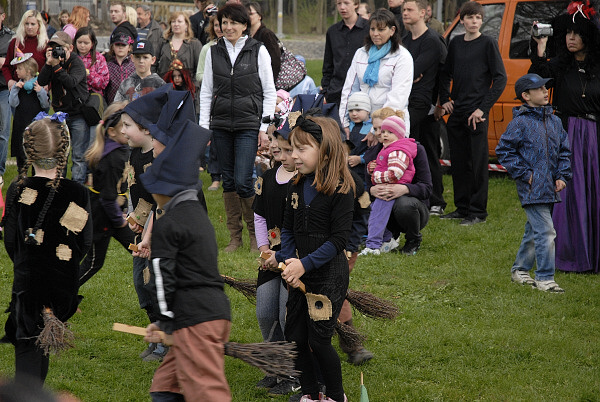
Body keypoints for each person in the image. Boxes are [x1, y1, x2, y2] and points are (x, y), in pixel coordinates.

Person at [141, 93, 231, 401]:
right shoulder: (196, 214)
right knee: (165, 387)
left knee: (208, 392)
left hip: (196, 320)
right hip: (210, 314)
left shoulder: (169, 222)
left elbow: (161, 275)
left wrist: (165, 321)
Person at [264, 115, 355, 402]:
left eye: (301, 149)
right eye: (291, 149)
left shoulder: (341, 189)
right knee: (296, 338)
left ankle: (336, 396)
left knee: (319, 339)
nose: (293, 156)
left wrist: (305, 264)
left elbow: (338, 240)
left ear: (324, 150)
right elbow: (288, 229)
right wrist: (289, 260)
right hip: (299, 272)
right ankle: (309, 394)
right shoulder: (294, 186)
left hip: (328, 274)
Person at [1, 113, 92, 384]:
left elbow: (10, 241)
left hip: (28, 284)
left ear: (28, 150)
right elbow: (83, 241)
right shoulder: (77, 192)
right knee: (43, 344)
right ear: (65, 149)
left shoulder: (18, 190)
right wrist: (62, 262)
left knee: (28, 350)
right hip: (62, 286)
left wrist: (26, 259)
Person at [529, 1, 600, 273]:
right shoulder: (561, 65)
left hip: (594, 137)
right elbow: (538, 76)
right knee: (569, 195)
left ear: (588, 36)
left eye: (577, 33)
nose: (571, 39)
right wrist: (540, 47)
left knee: (592, 193)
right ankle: (569, 253)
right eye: (568, 33)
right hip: (568, 133)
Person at [199, 3, 276, 252]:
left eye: (234, 22)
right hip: (220, 124)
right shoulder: (213, 51)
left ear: (245, 25)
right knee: (229, 181)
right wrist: (204, 127)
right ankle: (235, 238)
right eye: (224, 22)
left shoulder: (258, 50)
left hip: (248, 124)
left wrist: (264, 126)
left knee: (244, 181)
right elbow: (207, 91)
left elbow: (269, 91)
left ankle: (257, 236)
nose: (228, 27)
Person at [496, 73, 571, 292]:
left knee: (535, 230)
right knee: (547, 232)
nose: (545, 91)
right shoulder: (520, 123)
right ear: (526, 95)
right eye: (539, 89)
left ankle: (519, 270)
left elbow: (564, 151)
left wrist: (561, 176)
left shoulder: (555, 121)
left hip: (550, 188)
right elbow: (504, 150)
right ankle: (545, 278)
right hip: (531, 188)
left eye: (545, 88)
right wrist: (525, 174)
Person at [438, 1, 506, 225]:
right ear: (462, 19)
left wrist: (482, 109)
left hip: (476, 114)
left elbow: (500, 79)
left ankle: (478, 212)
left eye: (478, 18)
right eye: (469, 17)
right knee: (458, 161)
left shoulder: (488, 43)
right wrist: (446, 99)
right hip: (457, 112)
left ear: (482, 20)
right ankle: (462, 207)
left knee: (477, 163)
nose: (474, 22)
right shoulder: (456, 43)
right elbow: (445, 73)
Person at [253, 128, 300, 396]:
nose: (279, 154)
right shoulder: (268, 177)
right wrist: (263, 250)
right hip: (268, 258)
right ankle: (275, 367)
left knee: (286, 316)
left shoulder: (304, 181)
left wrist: (280, 256)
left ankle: (294, 372)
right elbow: (259, 216)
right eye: (276, 148)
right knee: (266, 313)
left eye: (286, 150)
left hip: (293, 260)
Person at [78, 102, 133, 287]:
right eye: (124, 126)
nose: (128, 130)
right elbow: (108, 198)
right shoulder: (112, 158)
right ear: (111, 132)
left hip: (114, 214)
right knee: (93, 263)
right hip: (102, 217)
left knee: (138, 249)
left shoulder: (120, 149)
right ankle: (59, 297)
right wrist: (121, 221)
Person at [402, 0, 448, 215]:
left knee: (428, 152)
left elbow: (413, 70)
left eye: (409, 9)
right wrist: (408, 76)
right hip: (405, 100)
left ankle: (436, 200)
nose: (405, 13)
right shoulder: (403, 40)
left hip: (425, 105)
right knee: (417, 151)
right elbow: (401, 71)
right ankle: (418, 195)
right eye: (403, 10)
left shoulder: (432, 40)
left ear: (423, 13)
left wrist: (440, 102)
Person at [366, 106, 432, 255]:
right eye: (377, 129)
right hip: (382, 203)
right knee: (362, 205)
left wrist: (405, 189)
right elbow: (367, 185)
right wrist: (372, 189)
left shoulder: (415, 149)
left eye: (385, 130)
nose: (380, 134)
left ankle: (413, 239)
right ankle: (384, 238)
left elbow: (427, 188)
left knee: (404, 204)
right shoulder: (373, 154)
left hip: (412, 206)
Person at [340, 9, 414, 137]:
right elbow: (349, 89)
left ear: (392, 30)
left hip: (389, 128)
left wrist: (376, 130)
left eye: (381, 30)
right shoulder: (361, 54)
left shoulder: (402, 57)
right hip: (360, 124)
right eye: (372, 29)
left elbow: (397, 98)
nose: (375, 34)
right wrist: (344, 123)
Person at [38, 31, 90, 184]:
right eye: (53, 47)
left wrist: (57, 67)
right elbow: (41, 81)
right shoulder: (53, 62)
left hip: (78, 114)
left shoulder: (76, 62)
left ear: (70, 48)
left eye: (60, 47)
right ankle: (60, 186)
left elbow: (72, 82)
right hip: (60, 115)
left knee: (78, 155)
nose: (57, 50)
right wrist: (49, 64)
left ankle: (76, 187)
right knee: (60, 154)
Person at [360, 115, 417, 255]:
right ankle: (388, 239)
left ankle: (373, 247)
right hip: (384, 188)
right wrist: (372, 168)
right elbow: (385, 167)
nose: (384, 134)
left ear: (399, 134)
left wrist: (375, 176)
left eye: (390, 132)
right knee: (370, 214)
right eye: (383, 131)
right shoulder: (388, 148)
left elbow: (394, 174)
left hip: (389, 191)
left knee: (377, 216)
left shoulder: (398, 150)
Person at [321, 0, 369, 106]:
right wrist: (326, 91)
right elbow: (328, 65)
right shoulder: (332, 31)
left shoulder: (369, 29)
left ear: (356, 4)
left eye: (346, 3)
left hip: (362, 91)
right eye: (339, 4)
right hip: (336, 92)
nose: (342, 7)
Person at [8, 50, 50, 171]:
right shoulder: (18, 86)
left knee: (36, 153)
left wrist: (41, 92)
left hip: (35, 124)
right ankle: (22, 178)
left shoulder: (38, 85)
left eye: (19, 69)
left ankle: (35, 176)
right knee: (21, 156)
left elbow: (45, 105)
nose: (16, 71)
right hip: (21, 124)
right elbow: (13, 103)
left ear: (28, 71)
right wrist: (15, 90)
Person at [195, 15, 223, 191]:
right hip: (213, 100)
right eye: (217, 25)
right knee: (214, 141)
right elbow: (199, 75)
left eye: (223, 24)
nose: (221, 28)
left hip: (231, 102)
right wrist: (215, 81)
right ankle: (215, 177)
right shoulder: (207, 49)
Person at [156, 12, 202, 94]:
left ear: (186, 25)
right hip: (164, 88)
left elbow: (199, 69)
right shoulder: (163, 42)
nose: (176, 24)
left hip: (187, 90)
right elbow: (154, 63)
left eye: (179, 21)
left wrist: (194, 87)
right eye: (173, 22)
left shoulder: (195, 44)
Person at [2, 10, 48, 90]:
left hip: (39, 91)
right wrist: (9, 80)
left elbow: (51, 69)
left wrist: (48, 85)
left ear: (39, 25)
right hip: (18, 91)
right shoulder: (15, 42)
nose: (29, 27)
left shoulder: (45, 44)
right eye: (27, 23)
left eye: (33, 24)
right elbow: (6, 66)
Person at [246, 2, 281, 81]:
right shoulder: (246, 35)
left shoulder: (266, 34)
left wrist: (270, 82)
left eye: (251, 14)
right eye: (246, 14)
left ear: (259, 16)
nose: (248, 17)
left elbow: (275, 61)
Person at [0, 7, 15, 185]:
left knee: (3, 131)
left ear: (3, 16)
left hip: (4, 88)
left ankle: (0, 172)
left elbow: (11, 62)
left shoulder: (10, 37)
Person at [75, 27, 109, 97]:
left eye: (86, 43)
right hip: (74, 96)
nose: (82, 45)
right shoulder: (71, 57)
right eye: (79, 42)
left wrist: (89, 74)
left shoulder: (99, 58)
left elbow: (104, 82)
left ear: (92, 43)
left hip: (93, 98)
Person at [345, 91, 372, 180]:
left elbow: (374, 150)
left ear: (368, 111)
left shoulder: (372, 129)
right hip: (346, 170)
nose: (354, 114)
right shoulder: (348, 127)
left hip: (364, 171)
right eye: (351, 110)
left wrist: (360, 159)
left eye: (358, 110)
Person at [105, 32, 135, 104]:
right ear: (112, 47)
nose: (120, 47)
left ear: (129, 48)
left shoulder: (134, 65)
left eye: (123, 45)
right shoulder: (107, 65)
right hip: (112, 104)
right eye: (117, 44)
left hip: (131, 105)